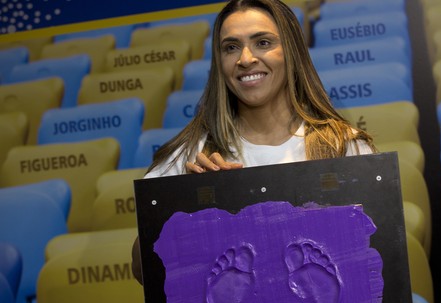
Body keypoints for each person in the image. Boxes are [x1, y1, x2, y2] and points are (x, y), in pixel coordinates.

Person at [132, 0, 377, 283]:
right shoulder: (187, 156)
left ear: (292, 52)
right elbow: (143, 271)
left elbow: (375, 260)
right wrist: (183, 207)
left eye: (263, 42)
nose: (245, 59)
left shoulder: (344, 147)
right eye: (231, 47)